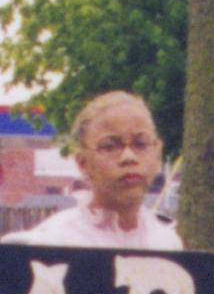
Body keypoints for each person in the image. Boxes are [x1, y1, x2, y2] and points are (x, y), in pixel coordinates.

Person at [12, 92, 182, 251]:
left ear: (158, 154)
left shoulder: (166, 242)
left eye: (140, 144)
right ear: (83, 162)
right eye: (110, 146)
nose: (128, 157)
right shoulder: (55, 242)